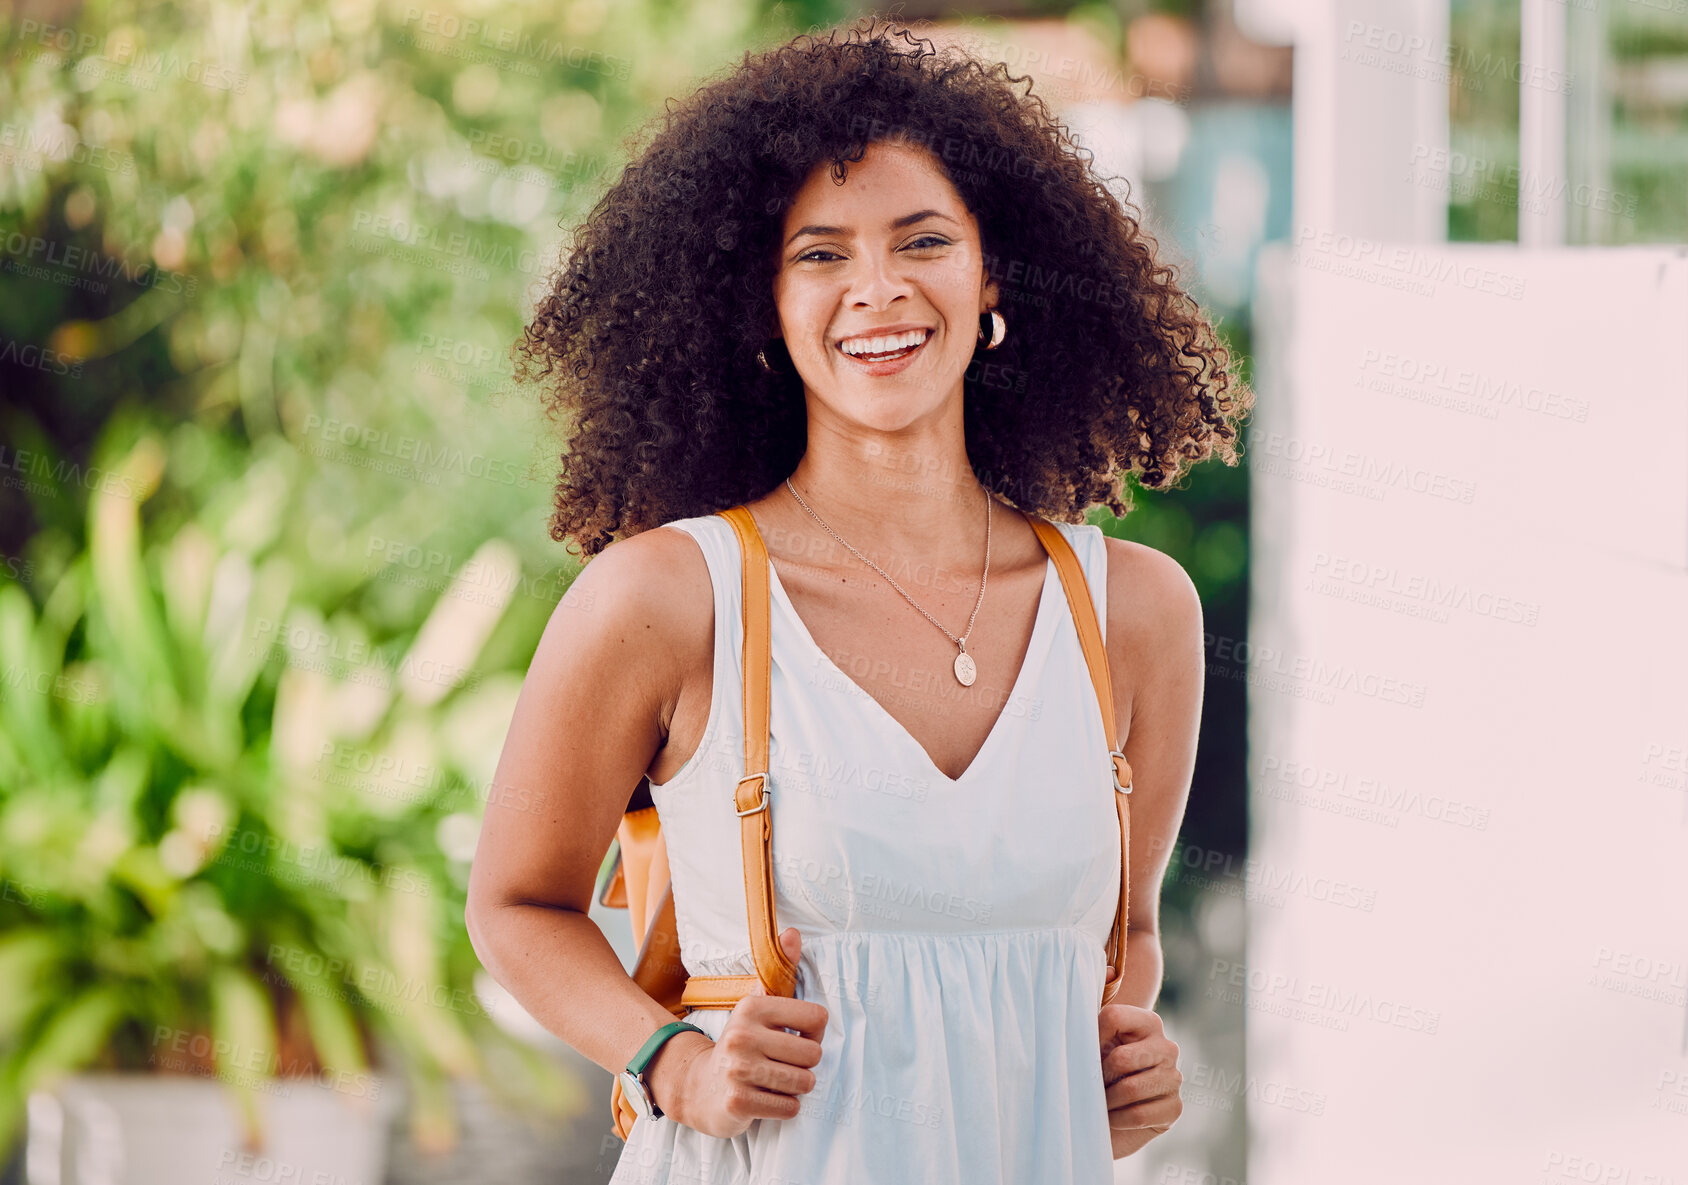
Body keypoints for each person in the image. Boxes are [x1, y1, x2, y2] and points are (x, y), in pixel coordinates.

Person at [466, 17, 1250, 1183]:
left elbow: (1118, 940)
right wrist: (669, 1061)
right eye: (819, 254)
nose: (876, 290)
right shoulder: (667, 599)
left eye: (921, 240)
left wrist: (1104, 1082)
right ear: (762, 308)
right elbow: (516, 908)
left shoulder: (1130, 614)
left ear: (992, 275)